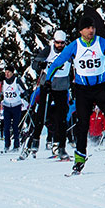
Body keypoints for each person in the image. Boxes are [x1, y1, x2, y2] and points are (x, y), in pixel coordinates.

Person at [41, 11, 105, 174]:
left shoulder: (101, 43)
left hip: (100, 88)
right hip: (82, 90)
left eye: (92, 27)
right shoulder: (74, 46)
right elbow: (57, 63)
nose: (91, 30)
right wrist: (48, 80)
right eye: (87, 28)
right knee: (82, 124)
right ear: (81, 31)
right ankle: (79, 158)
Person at [27, 29, 72, 157]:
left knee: (61, 117)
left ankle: (61, 146)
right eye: (57, 43)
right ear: (54, 42)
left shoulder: (69, 51)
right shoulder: (48, 50)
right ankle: (35, 140)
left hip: (62, 87)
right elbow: (35, 64)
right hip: (47, 85)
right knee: (41, 113)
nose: (59, 45)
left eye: (62, 43)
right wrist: (40, 65)